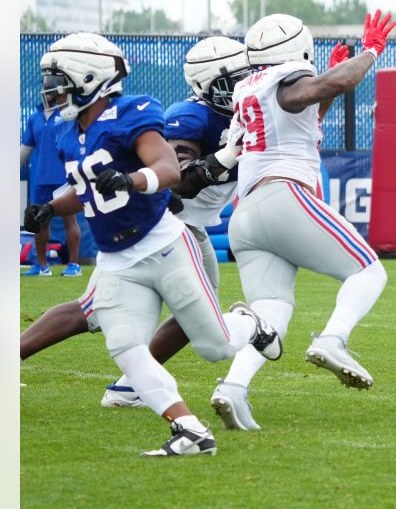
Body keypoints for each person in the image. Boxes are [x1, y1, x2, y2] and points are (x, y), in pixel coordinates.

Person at [22, 32, 281, 456]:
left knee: (214, 345)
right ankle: (190, 430)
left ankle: (250, 325)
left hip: (164, 242)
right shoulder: (70, 133)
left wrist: (133, 179)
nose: (52, 90)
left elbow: (166, 169)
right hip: (118, 255)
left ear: (90, 78)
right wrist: (49, 207)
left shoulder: (133, 111)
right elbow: (89, 188)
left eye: (59, 80)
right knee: (125, 347)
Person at [176, 11, 396, 430]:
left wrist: (328, 77)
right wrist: (370, 52)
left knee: (270, 318)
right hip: (284, 195)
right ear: (296, 52)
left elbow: (303, 108)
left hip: (247, 215)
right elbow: (330, 84)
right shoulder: (285, 79)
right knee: (368, 272)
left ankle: (233, 387)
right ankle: (333, 339)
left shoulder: (246, 87)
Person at [99, 36, 253, 409]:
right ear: (206, 84)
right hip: (167, 222)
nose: (242, 87)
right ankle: (128, 384)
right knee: (91, 311)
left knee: (196, 311)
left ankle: (129, 385)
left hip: (184, 224)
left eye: (246, 77)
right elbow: (180, 181)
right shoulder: (191, 116)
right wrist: (230, 153)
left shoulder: (240, 111)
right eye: (232, 81)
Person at [20, 102, 82, 276]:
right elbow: (26, 149)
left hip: (63, 176)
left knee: (69, 220)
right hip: (40, 178)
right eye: (46, 84)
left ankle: (74, 265)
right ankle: (41, 266)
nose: (48, 90)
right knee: (39, 222)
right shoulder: (35, 117)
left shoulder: (68, 113)